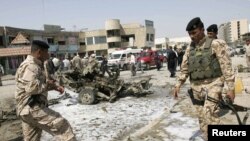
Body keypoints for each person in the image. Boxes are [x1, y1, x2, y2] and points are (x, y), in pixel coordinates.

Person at [173, 17, 235, 138]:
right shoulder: (189, 48)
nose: (191, 36)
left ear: (202, 30)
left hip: (214, 83)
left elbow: (226, 66)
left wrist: (231, 88)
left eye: (194, 33)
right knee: (202, 118)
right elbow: (185, 68)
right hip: (196, 87)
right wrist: (178, 84)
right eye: (189, 34)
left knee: (210, 113)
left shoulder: (216, 44)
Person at [15, 40, 76, 141]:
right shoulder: (31, 66)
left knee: (31, 138)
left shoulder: (35, 65)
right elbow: (32, 88)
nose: (48, 55)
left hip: (26, 110)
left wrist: (55, 86)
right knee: (63, 127)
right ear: (39, 52)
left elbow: (41, 81)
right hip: (32, 108)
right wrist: (48, 86)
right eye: (46, 52)